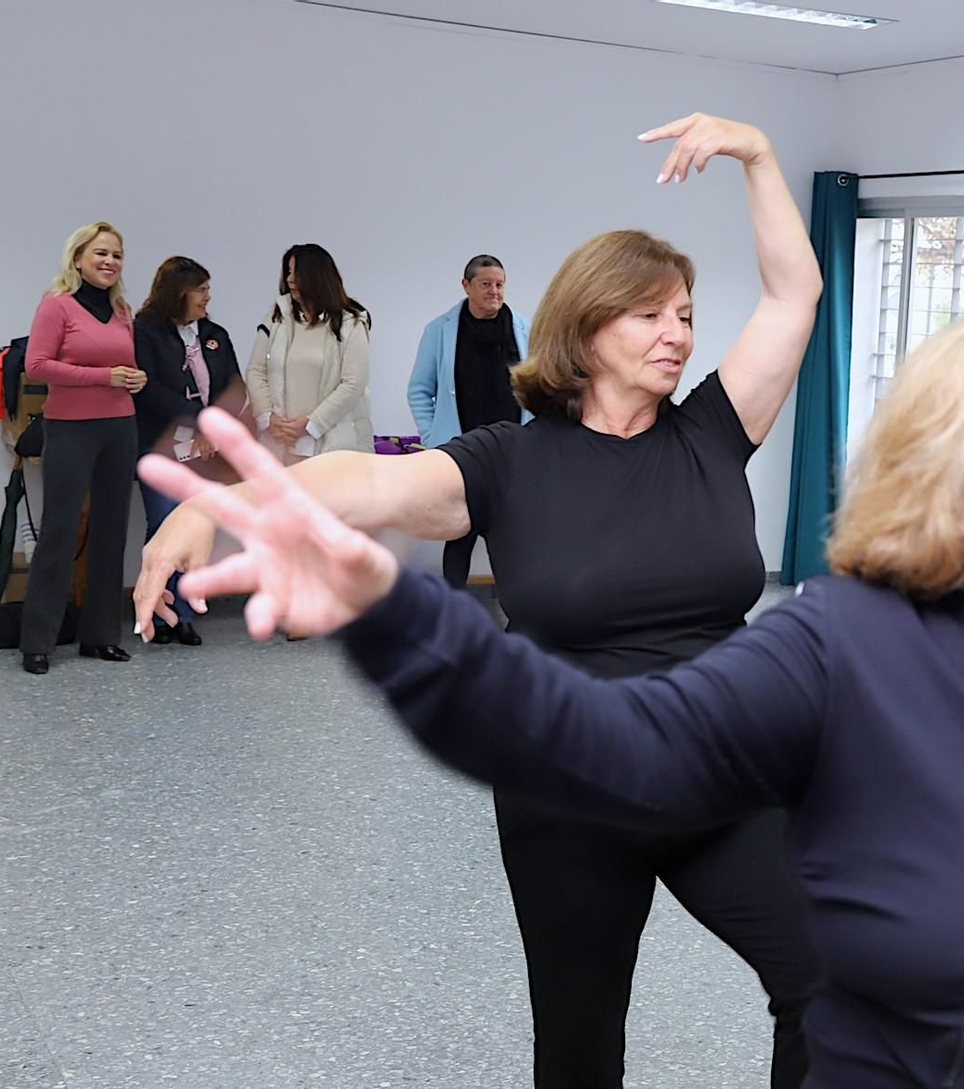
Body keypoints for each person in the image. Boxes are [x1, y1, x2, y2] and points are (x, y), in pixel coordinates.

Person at [139, 16, 964, 1085]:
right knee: (580, 1042)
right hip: (612, 774)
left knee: (813, 974)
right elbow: (557, 707)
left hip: (742, 786)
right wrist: (306, 562)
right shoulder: (801, 617)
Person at [138, 114, 823, 1088]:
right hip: (568, 781)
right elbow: (359, 485)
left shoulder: (712, 430)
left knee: (829, 978)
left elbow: (794, 295)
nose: (678, 334)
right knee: (580, 1049)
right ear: (586, 327)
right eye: (651, 315)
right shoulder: (509, 459)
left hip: (724, 767)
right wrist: (216, 507)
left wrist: (757, 152)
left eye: (685, 315)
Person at [18, 221, 146, 676]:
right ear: (77, 259)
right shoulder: (57, 305)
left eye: (117, 255)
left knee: (112, 531)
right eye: (101, 254)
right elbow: (37, 365)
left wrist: (135, 378)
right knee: (59, 530)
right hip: (71, 429)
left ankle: (101, 636)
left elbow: (124, 367)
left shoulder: (123, 309)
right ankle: (38, 642)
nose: (110, 262)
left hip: (119, 427)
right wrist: (102, 377)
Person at [133, 257, 243, 646]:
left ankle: (183, 612)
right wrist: (198, 420)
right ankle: (158, 614)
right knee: (164, 522)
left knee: (196, 526)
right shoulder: (145, 331)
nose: (208, 297)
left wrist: (212, 428)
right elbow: (147, 389)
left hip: (206, 449)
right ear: (178, 292)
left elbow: (235, 387)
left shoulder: (215, 334)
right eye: (201, 290)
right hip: (161, 444)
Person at [407, 255, 532, 587]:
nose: (494, 291)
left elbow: (539, 386)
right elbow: (419, 389)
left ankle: (516, 612)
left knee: (508, 536)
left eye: (500, 284)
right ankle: (452, 611)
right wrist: (433, 438)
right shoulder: (440, 331)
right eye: (486, 284)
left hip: (511, 450)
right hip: (461, 450)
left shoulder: (524, 328)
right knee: (459, 531)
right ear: (466, 286)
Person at [245, 244, 372, 464]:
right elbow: (256, 370)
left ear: (316, 276)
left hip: (333, 446)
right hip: (280, 445)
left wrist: (312, 424)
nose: (290, 280)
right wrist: (268, 418)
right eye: (288, 272)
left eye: (296, 272)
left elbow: (353, 383)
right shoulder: (276, 319)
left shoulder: (351, 322)